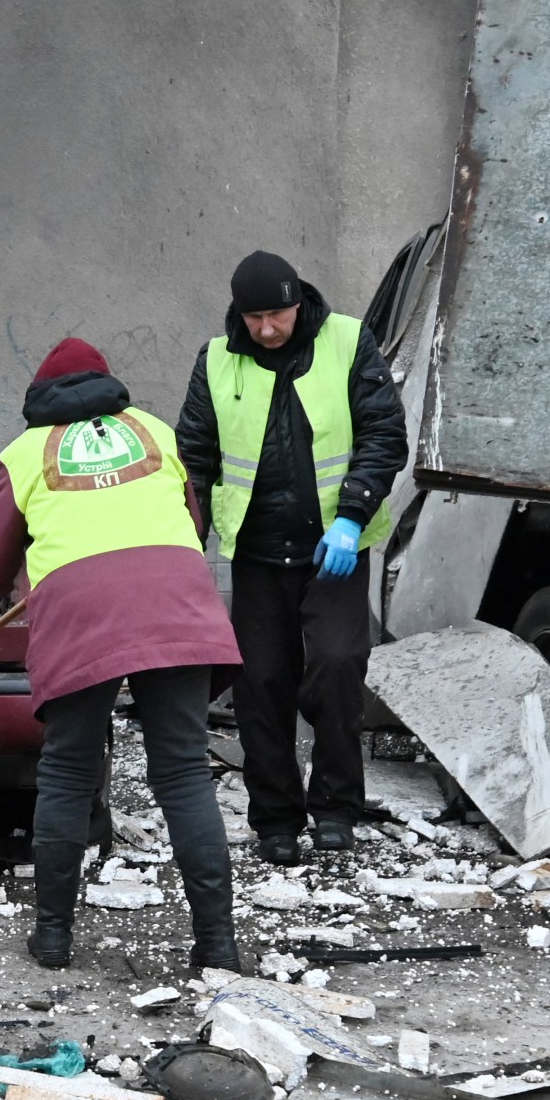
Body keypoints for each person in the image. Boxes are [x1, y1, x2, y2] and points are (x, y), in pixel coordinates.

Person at [0, 338, 244, 972]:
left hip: (81, 615)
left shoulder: (26, 454)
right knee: (184, 773)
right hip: (175, 604)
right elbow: (192, 525)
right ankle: (218, 945)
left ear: (39, 398)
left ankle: (53, 938)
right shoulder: (155, 432)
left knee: (67, 772)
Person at [175, 251, 407, 864]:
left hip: (333, 549)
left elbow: (384, 433)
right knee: (260, 684)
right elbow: (193, 455)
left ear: (297, 304)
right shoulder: (216, 359)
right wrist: (185, 540)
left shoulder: (348, 341)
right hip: (256, 551)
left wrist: (352, 516)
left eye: (276, 315)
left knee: (337, 666)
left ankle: (335, 809)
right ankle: (276, 818)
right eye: (254, 319)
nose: (267, 329)